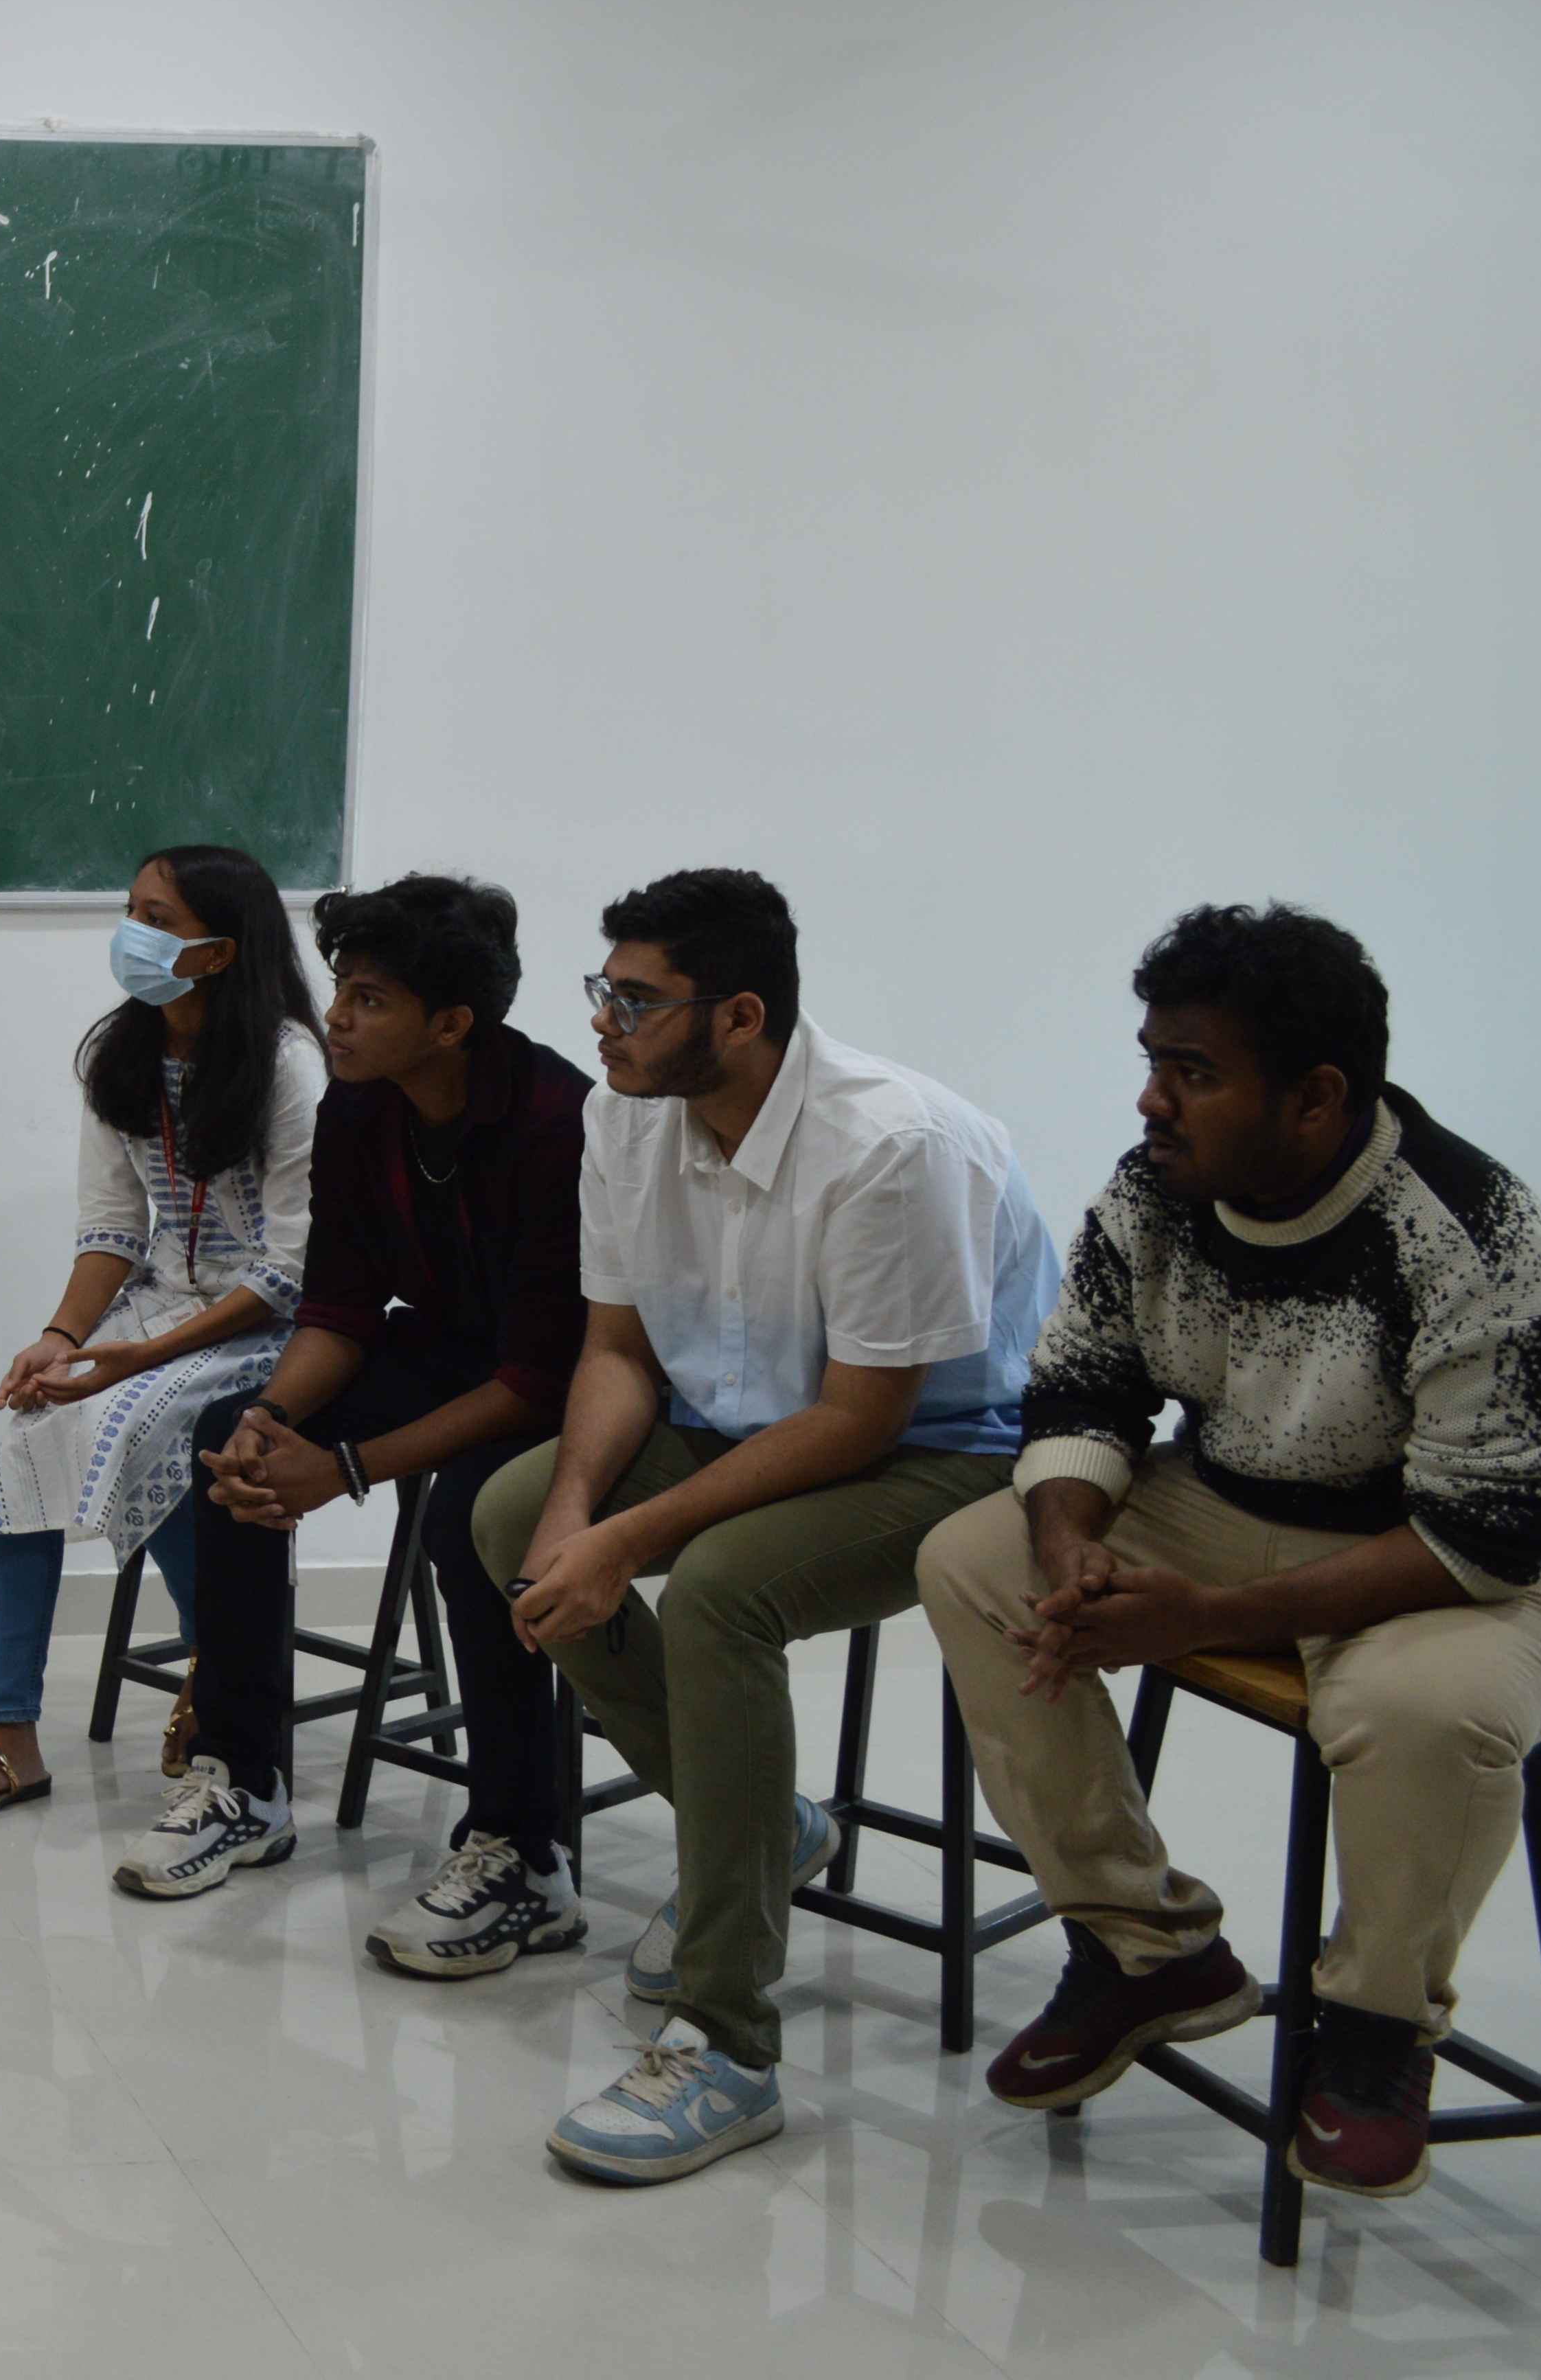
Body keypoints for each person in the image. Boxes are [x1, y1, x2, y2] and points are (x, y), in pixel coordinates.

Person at [918, 906, 1541, 2196]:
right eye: (1153, 1061)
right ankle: (1146, 1948)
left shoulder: (1485, 1245)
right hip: (1252, 1498)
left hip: (1524, 1558)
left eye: (1192, 1071)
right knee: (975, 1561)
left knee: (1420, 1706)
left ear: (1315, 1099)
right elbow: (1084, 1389)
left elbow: (1483, 1537)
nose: (1152, 1100)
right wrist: (1074, 1540)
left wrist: (1200, 1617)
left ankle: (1375, 2030)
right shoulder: (1155, 1190)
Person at [468, 867, 1054, 2186]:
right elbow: (619, 1350)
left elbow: (859, 1420)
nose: (603, 1022)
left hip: (949, 1453)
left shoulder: (890, 1144)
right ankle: (757, 1827)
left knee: (719, 1591)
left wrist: (627, 1543)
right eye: (603, 991)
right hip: (752, 1419)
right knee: (510, 1516)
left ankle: (727, 2045)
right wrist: (572, 1514)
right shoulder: (626, 1116)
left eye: (636, 1000)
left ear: (740, 1017)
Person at [127, 876, 593, 1947]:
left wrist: (343, 1471)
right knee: (229, 1440)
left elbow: (535, 1378)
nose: (334, 1016)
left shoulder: (555, 1122)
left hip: (565, 1388)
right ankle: (245, 1784)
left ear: (451, 1024)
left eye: (369, 999)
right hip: (445, 1351)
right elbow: (339, 1309)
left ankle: (525, 1853)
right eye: (341, 989)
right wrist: (274, 1419)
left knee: (472, 1518)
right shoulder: (360, 1104)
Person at [0, 845, 319, 1834]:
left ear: (221, 951)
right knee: (35, 1427)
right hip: (159, 1307)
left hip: (271, 1325)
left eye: (159, 920)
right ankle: (8, 1734)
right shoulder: (119, 1054)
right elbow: (111, 1230)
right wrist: (61, 1338)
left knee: (152, 1424)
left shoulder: (289, 1066)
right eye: (131, 910)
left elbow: (291, 1268)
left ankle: (218, 1685)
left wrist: (138, 1360)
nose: (132, 934)